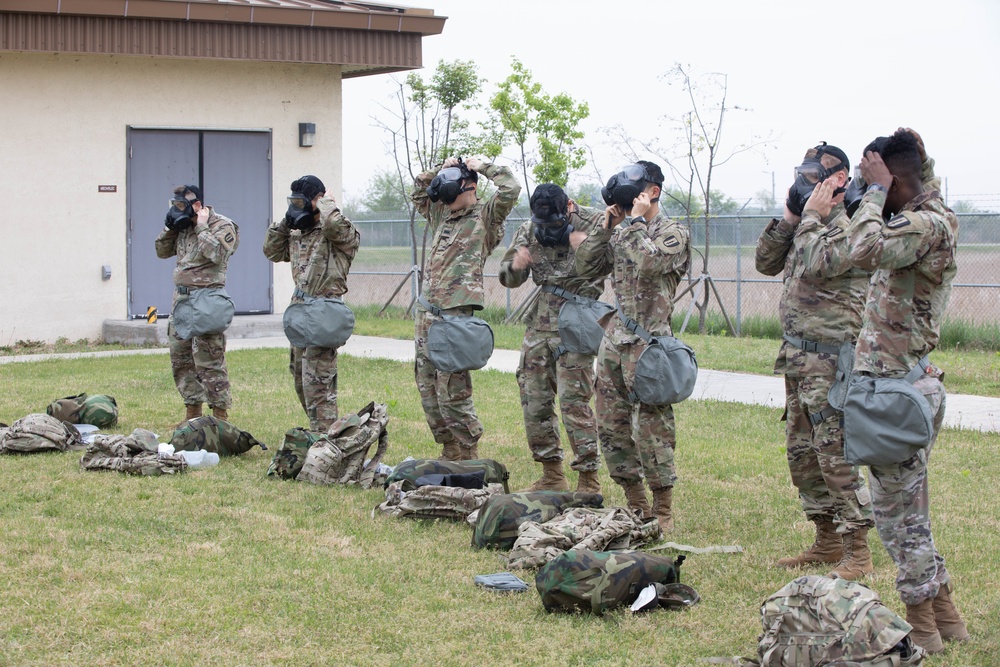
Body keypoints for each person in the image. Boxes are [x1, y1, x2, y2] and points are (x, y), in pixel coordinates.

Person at [840, 129, 967, 653]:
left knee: (897, 516)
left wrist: (874, 191)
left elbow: (863, 247)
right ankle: (946, 615)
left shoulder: (922, 224)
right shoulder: (927, 215)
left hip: (895, 388)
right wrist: (892, 175)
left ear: (898, 180)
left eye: (877, 183)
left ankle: (923, 624)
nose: (868, 194)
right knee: (908, 506)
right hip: (901, 384)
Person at [754, 143, 875, 580]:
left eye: (816, 177)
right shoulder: (805, 224)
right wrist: (791, 214)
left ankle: (857, 551)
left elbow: (817, 263)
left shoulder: (852, 226)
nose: (807, 183)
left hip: (832, 361)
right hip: (797, 357)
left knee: (834, 454)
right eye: (803, 175)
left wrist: (811, 217)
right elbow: (766, 262)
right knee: (802, 455)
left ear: (840, 180)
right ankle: (826, 540)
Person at [575, 161, 690, 533]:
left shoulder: (673, 233)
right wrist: (606, 228)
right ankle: (635, 501)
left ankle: (663, 508)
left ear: (652, 191)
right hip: (614, 342)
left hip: (650, 343)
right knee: (610, 425)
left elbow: (651, 263)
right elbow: (586, 268)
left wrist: (636, 224)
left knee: (651, 428)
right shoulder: (622, 231)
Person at [411, 156, 521, 461]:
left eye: (450, 185)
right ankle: (450, 449)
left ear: (468, 187)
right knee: (427, 386)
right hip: (426, 313)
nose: (445, 199)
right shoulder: (441, 216)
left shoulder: (485, 217)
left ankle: (469, 451)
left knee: (453, 389)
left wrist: (481, 165)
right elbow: (419, 189)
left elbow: (511, 188)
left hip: (455, 318)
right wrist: (442, 167)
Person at [498, 183, 606, 493]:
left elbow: (612, 265)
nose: (548, 229)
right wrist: (517, 267)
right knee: (534, 402)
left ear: (569, 206)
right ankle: (552, 475)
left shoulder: (594, 223)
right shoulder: (529, 228)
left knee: (575, 404)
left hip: (578, 323)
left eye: (555, 222)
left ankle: (588, 479)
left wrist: (585, 247)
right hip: (540, 325)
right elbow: (507, 276)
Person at [263, 175, 360, 432]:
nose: (297, 207)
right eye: (292, 201)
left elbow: (335, 227)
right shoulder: (299, 233)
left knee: (318, 382)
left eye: (301, 202)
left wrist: (327, 204)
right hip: (301, 310)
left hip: (324, 310)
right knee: (300, 377)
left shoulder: (340, 231)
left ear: (318, 201)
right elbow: (271, 251)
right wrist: (287, 220)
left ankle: (325, 439)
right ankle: (324, 431)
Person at [155, 185, 239, 422]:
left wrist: (201, 226)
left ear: (198, 205)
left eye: (181, 206)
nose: (177, 210)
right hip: (181, 301)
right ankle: (193, 413)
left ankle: (220, 416)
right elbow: (161, 251)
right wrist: (170, 227)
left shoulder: (221, 225)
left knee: (209, 360)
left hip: (207, 300)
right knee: (181, 359)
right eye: (175, 205)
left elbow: (218, 254)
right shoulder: (182, 227)